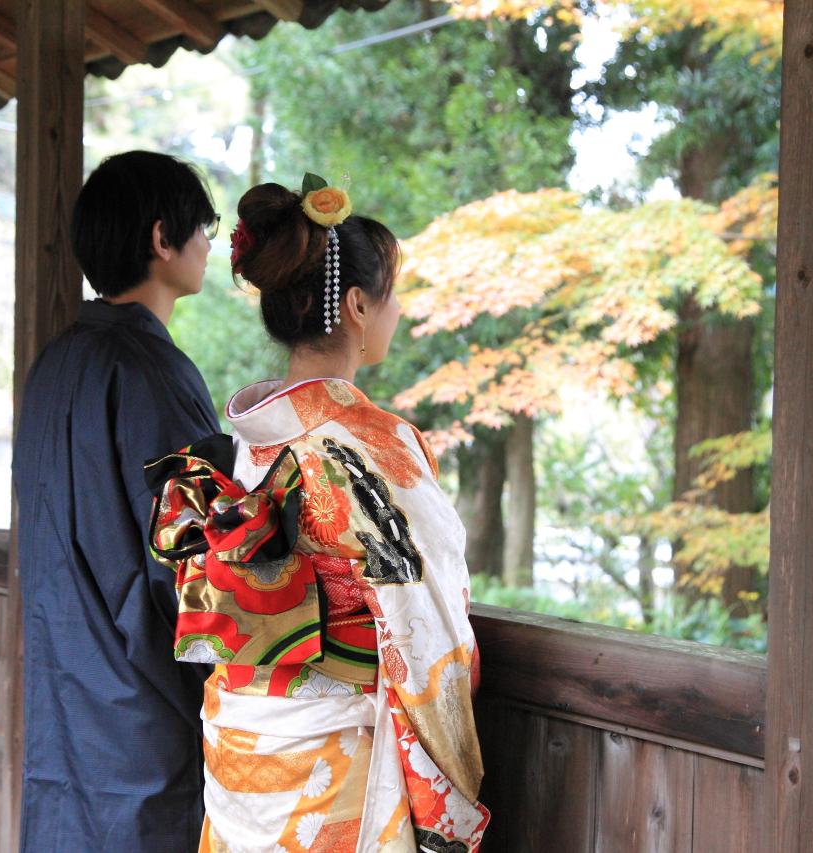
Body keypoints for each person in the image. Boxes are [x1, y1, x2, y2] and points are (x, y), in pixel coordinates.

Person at [144, 176, 490, 852]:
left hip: (241, 745)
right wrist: (454, 801)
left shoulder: (248, 442)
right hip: (332, 762)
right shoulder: (376, 447)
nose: (397, 311)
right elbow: (430, 628)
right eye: (393, 295)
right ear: (358, 305)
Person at [12, 150, 222, 851]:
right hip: (139, 710)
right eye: (204, 226)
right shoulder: (153, 371)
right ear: (162, 240)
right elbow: (192, 560)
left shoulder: (55, 362)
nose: (210, 242)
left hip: (61, 696)